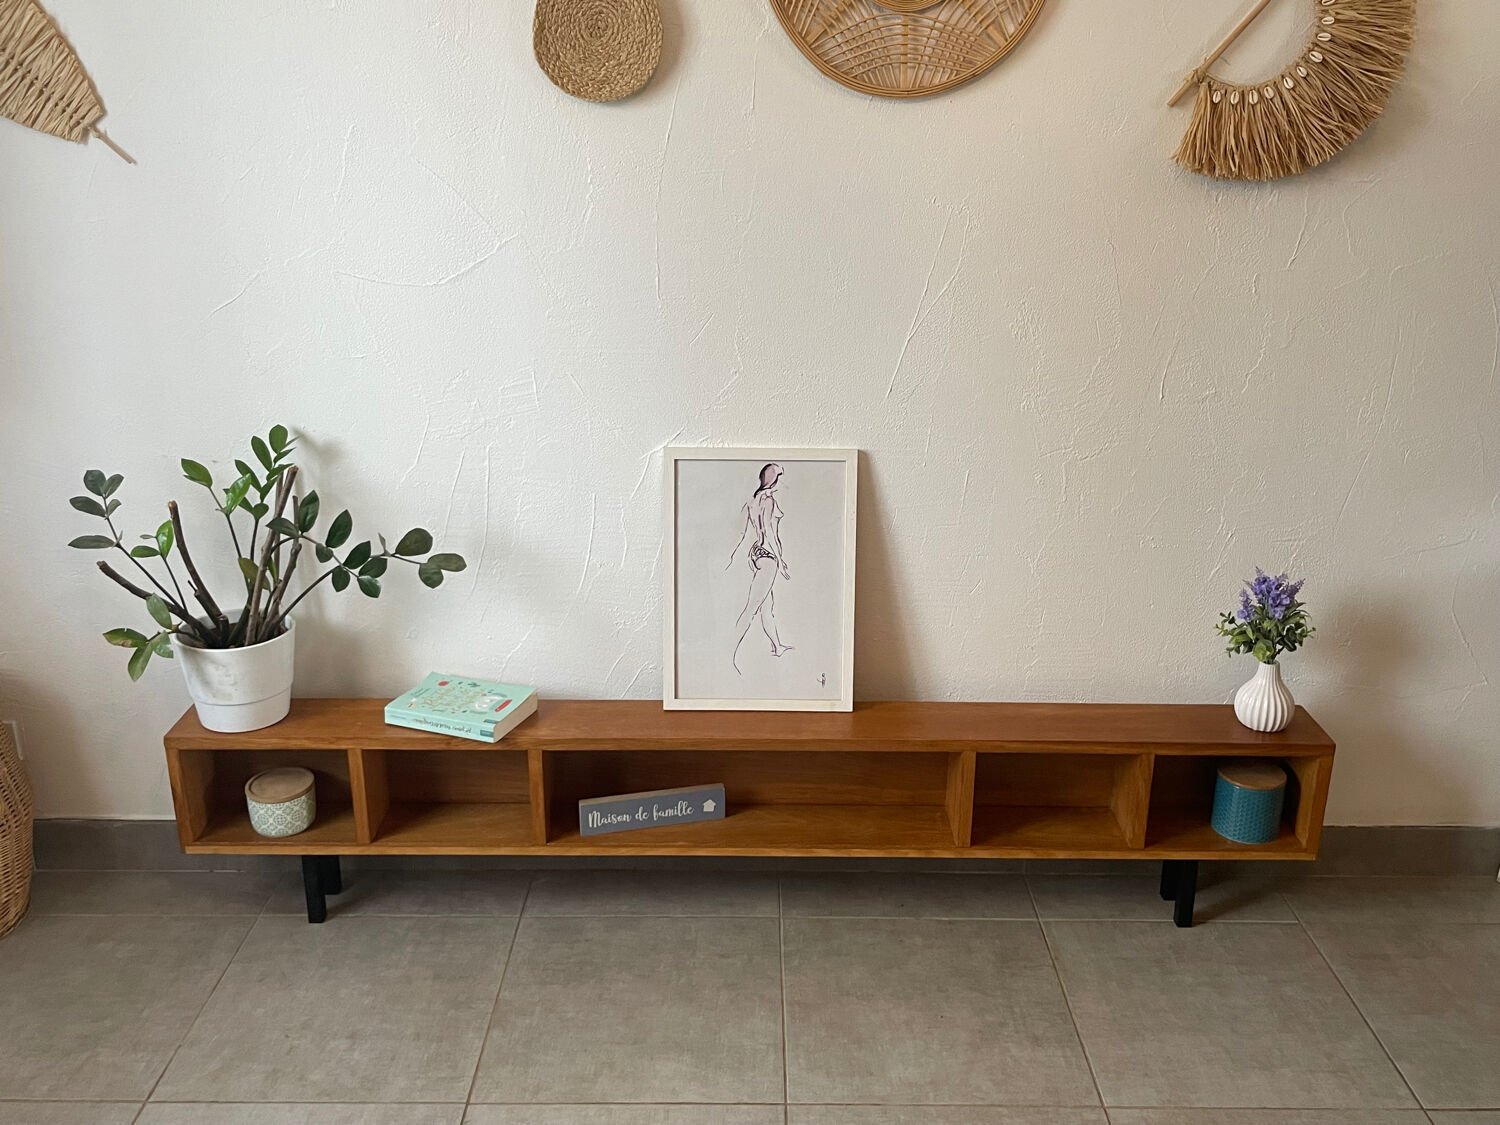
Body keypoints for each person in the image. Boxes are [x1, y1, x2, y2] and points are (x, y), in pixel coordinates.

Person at [726, 463, 792, 673]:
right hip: (769, 556)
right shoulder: (769, 500)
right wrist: (780, 561)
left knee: (766, 606)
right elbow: (769, 532)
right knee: (752, 608)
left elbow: (743, 530)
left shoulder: (753, 499)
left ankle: (777, 645)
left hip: (756, 554)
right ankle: (728, 653)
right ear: (774, 480)